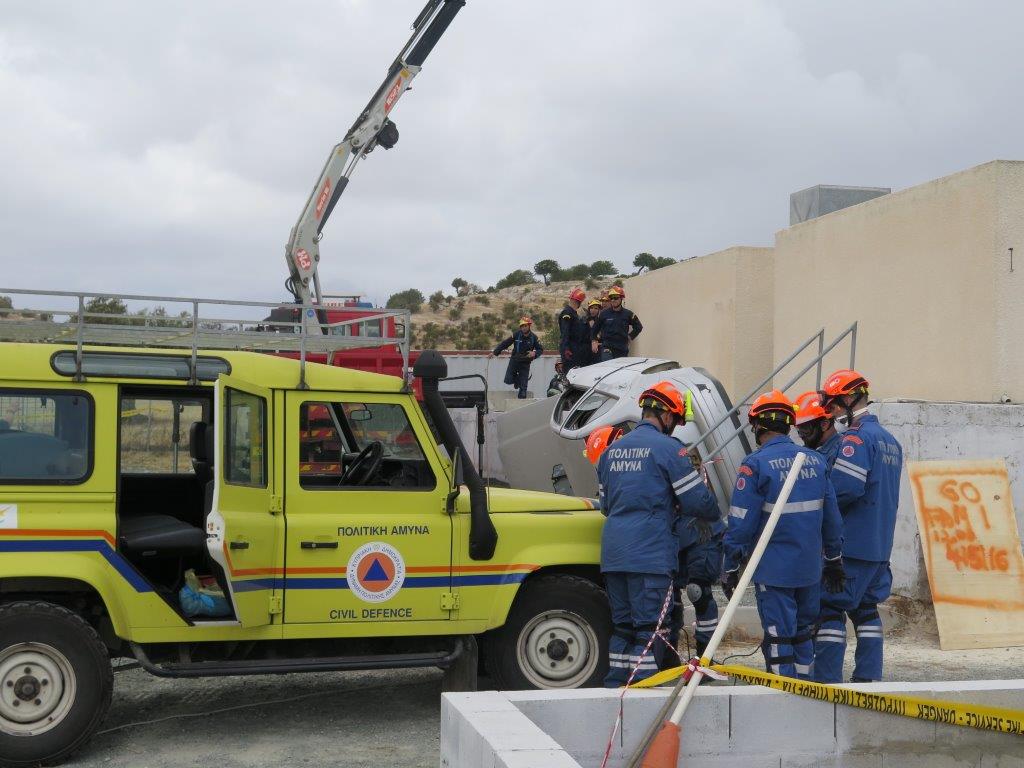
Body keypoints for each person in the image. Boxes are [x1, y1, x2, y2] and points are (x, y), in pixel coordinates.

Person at [598, 381, 719, 686]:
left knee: (623, 628)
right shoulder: (668, 449)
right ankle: (643, 691)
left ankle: (615, 687)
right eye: (676, 421)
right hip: (649, 555)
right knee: (651, 629)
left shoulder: (611, 451)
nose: (674, 427)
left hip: (614, 554)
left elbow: (604, 505)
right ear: (666, 415)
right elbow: (698, 502)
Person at [721, 389, 844, 681]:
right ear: (788, 424)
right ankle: (804, 692)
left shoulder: (755, 465)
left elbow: (740, 521)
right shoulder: (815, 461)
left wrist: (730, 565)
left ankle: (780, 695)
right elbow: (832, 519)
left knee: (779, 638)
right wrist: (835, 558)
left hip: (773, 570)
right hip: (809, 569)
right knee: (804, 635)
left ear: (757, 426)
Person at [813, 369, 902, 684]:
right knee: (866, 613)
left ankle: (825, 681)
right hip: (879, 548)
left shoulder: (856, 437)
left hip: (850, 545)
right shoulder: (890, 441)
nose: (833, 411)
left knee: (828, 610)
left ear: (850, 398)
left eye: (836, 403)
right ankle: (868, 679)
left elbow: (844, 489)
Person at [492, 317, 543, 399]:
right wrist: (494, 353)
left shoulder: (534, 337)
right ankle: (517, 381)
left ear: (529, 326)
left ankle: (522, 398)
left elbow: (540, 349)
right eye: (522, 326)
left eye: (525, 326)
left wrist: (534, 353)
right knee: (508, 380)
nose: (524, 328)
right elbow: (505, 343)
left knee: (523, 389)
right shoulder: (516, 334)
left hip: (525, 362)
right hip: (515, 360)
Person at [592, 286, 642, 361]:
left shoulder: (628, 314)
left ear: (621, 298)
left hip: (622, 349)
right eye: (611, 298)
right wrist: (594, 341)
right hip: (607, 348)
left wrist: (630, 337)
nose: (613, 300)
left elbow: (638, 327)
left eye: (615, 298)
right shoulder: (604, 314)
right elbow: (594, 330)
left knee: (619, 371)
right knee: (608, 367)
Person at [793, 390, 841, 464]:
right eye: (798, 429)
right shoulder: (809, 449)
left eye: (805, 429)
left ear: (824, 425)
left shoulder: (840, 454)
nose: (801, 435)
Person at [558, 288, 589, 374]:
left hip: (576, 348)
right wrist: (566, 348)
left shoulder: (574, 313)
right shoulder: (567, 313)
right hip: (570, 348)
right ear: (579, 302)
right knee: (570, 374)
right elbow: (565, 332)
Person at [584, 299, 603, 364]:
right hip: (586, 350)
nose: (593, 310)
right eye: (591, 308)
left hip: (599, 351)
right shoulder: (584, 321)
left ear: (599, 310)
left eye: (596, 308)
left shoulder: (602, 321)